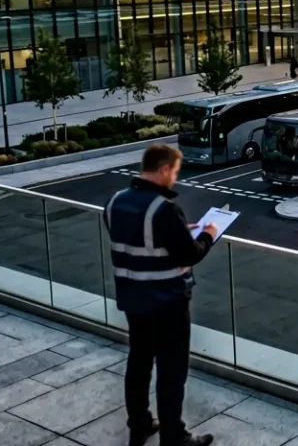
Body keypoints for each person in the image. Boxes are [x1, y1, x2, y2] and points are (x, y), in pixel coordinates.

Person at [107, 144, 217, 446]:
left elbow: (136, 240)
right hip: (168, 302)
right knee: (171, 370)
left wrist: (180, 230)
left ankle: (139, 424)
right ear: (164, 169)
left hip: (133, 298)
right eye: (175, 171)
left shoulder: (115, 202)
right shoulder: (164, 209)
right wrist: (207, 234)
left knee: (139, 361)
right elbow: (189, 254)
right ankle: (174, 436)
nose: (175, 178)